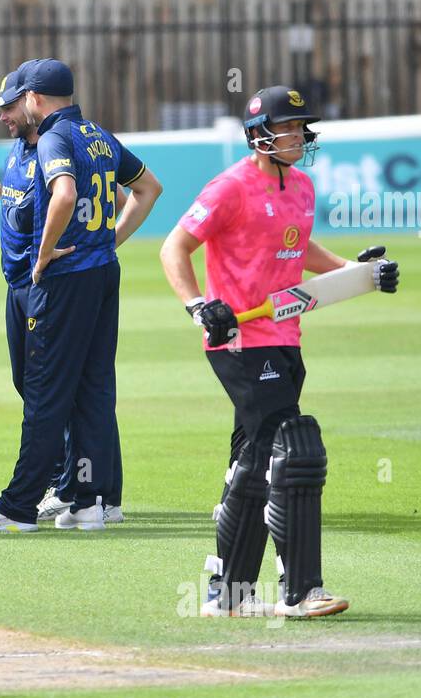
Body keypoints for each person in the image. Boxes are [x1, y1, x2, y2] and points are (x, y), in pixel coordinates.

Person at [158, 85, 399, 617]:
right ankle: (301, 589)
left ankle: (230, 593)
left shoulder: (303, 187)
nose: (297, 135)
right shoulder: (230, 187)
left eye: (300, 127)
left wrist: (355, 273)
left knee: (257, 455)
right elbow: (174, 245)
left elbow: (298, 246)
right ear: (258, 135)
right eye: (286, 127)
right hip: (239, 339)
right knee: (296, 448)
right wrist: (198, 306)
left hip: (285, 338)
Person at [0, 59, 161, 533]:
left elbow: (66, 195)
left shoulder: (53, 136)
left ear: (34, 97)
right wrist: (108, 240)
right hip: (99, 272)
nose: (8, 113)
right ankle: (89, 502)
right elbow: (148, 188)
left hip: (64, 277)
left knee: (45, 394)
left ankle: (19, 506)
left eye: (16, 102)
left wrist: (44, 253)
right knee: (91, 389)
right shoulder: (96, 133)